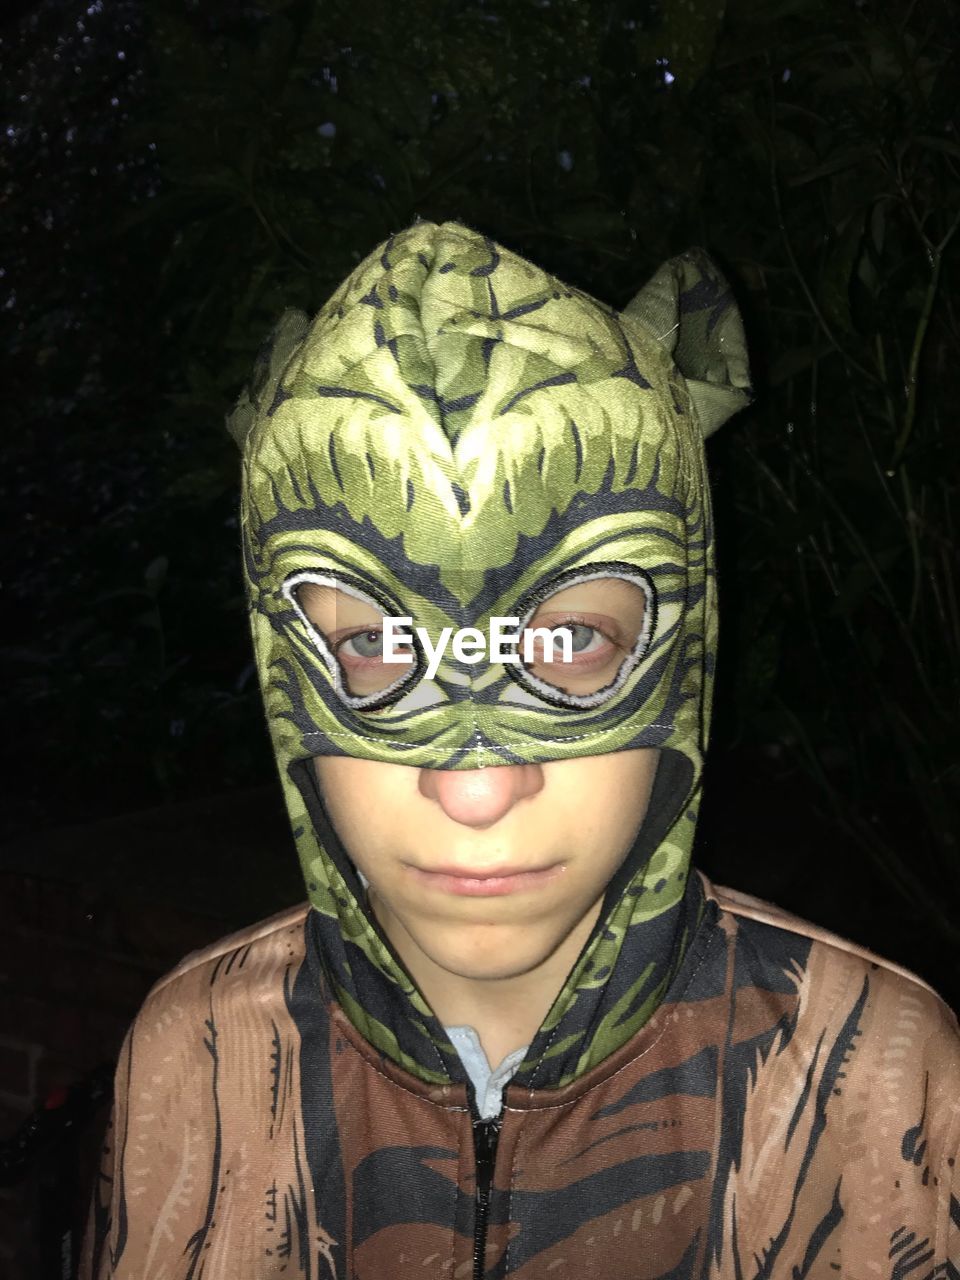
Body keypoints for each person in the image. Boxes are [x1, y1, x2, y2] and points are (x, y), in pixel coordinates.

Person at [80, 221, 960, 1279]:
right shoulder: (197, 1056)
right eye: (374, 643)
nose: (480, 785)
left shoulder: (875, 1070)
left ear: (682, 651)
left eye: (572, 641)